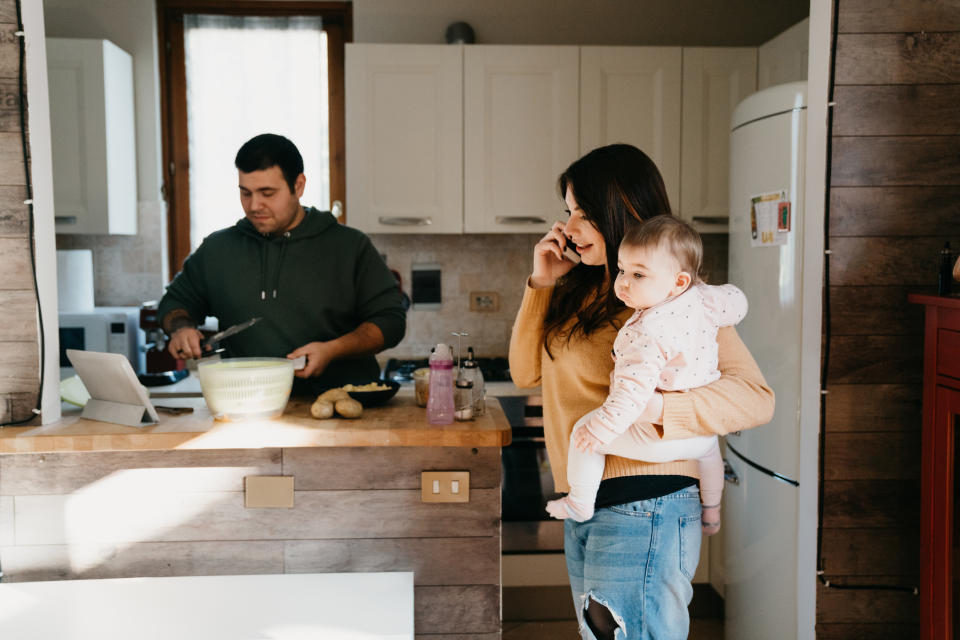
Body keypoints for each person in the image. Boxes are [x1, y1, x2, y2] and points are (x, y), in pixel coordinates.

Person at [509, 143, 774, 640]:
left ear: (623, 213)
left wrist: (655, 410)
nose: (568, 229)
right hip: (586, 499)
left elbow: (755, 397)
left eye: (584, 214)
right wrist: (539, 284)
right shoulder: (581, 290)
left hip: (646, 502)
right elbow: (525, 373)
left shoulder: (679, 301)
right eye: (568, 213)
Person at [545, 215, 749, 538]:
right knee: (711, 453)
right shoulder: (703, 299)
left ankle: (580, 502)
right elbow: (738, 302)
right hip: (700, 433)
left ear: (678, 281)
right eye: (623, 270)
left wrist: (600, 430)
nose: (623, 282)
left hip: (657, 437)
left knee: (583, 435)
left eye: (638, 274)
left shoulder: (646, 332)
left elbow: (631, 397)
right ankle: (711, 511)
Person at [159, 133, 406, 394]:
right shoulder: (218, 249)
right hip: (247, 408)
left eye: (267, 193)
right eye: (246, 193)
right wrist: (181, 329)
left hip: (344, 407)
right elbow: (174, 304)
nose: (254, 205)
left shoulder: (349, 246)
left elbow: (390, 321)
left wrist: (332, 350)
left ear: (298, 186)